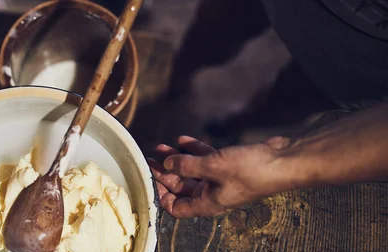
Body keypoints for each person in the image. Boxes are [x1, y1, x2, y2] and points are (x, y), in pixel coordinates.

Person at [151, 0, 388, 218]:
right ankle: (179, 77)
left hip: (359, 61)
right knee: (212, 33)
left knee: (289, 99)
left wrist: (282, 158)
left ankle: (231, 126)